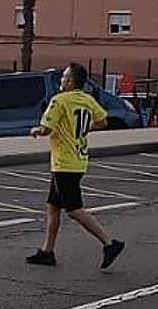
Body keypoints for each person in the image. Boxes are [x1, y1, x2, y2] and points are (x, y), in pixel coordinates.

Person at [27, 63, 125, 269]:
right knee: (53, 206)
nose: (62, 80)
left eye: (64, 77)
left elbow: (46, 128)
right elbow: (103, 121)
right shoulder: (87, 99)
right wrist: (85, 128)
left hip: (65, 163)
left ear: (71, 81)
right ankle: (47, 251)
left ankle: (109, 243)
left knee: (73, 209)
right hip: (78, 160)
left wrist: (36, 130)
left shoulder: (59, 100)